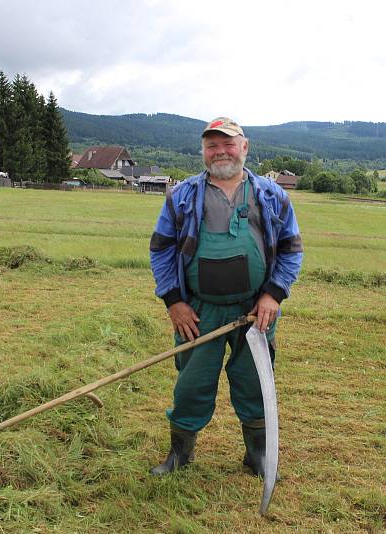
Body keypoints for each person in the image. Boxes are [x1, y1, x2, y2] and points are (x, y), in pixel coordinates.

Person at [148, 117, 303, 477]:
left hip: (255, 311)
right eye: (212, 145)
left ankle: (258, 456)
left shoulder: (272, 196)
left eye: (228, 144)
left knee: (254, 384)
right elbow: (161, 250)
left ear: (244, 147)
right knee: (191, 384)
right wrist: (174, 301)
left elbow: (291, 249)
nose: (220, 152)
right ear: (203, 151)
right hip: (198, 312)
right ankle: (179, 456)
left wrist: (273, 295)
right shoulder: (182, 196)